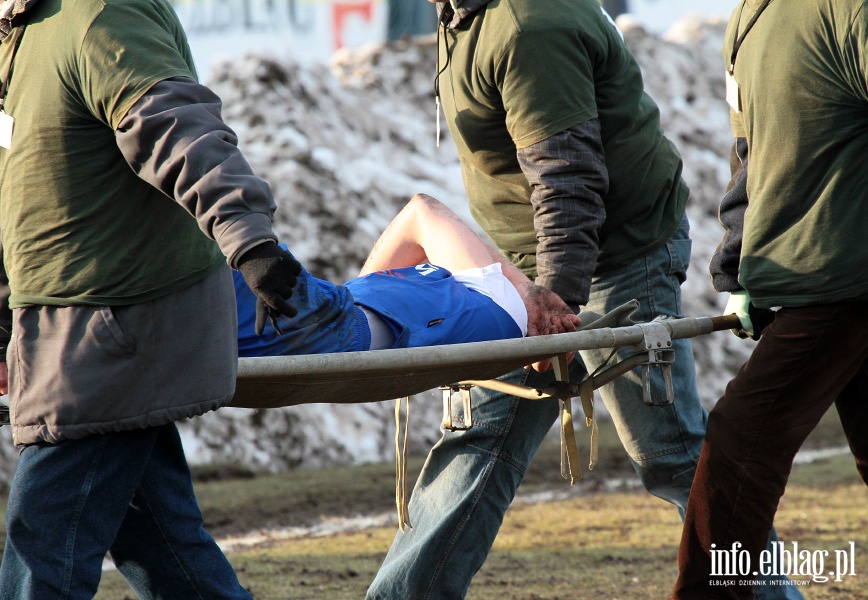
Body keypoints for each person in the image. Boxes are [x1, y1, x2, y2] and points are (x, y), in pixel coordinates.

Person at [366, 1, 800, 598]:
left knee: (669, 449)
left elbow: (568, 177)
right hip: (528, 266)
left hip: (616, 253)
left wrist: (555, 307)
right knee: (479, 440)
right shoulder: (462, 13)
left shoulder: (526, 25)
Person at [0, 0, 304, 597]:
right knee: (166, 551)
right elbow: (4, 198)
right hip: (61, 332)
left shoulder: (102, 14)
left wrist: (249, 237)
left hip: (114, 331)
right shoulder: (7, 36)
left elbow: (178, 127)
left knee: (41, 544)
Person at [672, 0, 868, 597]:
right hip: (809, 274)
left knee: (741, 441)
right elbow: (750, 154)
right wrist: (738, 267)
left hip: (843, 277)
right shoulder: (749, 17)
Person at [235, 194, 581, 357]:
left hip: (336, 317)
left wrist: (528, 290)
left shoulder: (485, 293)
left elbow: (422, 213)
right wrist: (530, 290)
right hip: (339, 316)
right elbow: (422, 211)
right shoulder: (489, 293)